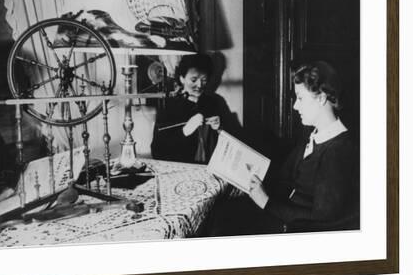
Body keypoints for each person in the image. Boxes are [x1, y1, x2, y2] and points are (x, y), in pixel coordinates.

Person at [208, 61, 359, 235]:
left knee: (221, 220)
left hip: (296, 228)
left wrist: (266, 202)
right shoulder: (312, 134)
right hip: (283, 212)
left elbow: (322, 219)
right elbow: (283, 177)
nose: (295, 106)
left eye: (300, 98)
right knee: (219, 211)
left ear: (321, 98)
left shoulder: (340, 150)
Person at [150, 54, 241, 164]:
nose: (199, 85)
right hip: (181, 170)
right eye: (194, 80)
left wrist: (220, 129)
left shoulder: (213, 102)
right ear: (182, 78)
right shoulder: (169, 105)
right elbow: (156, 151)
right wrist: (185, 131)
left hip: (210, 168)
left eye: (204, 80)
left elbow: (233, 141)